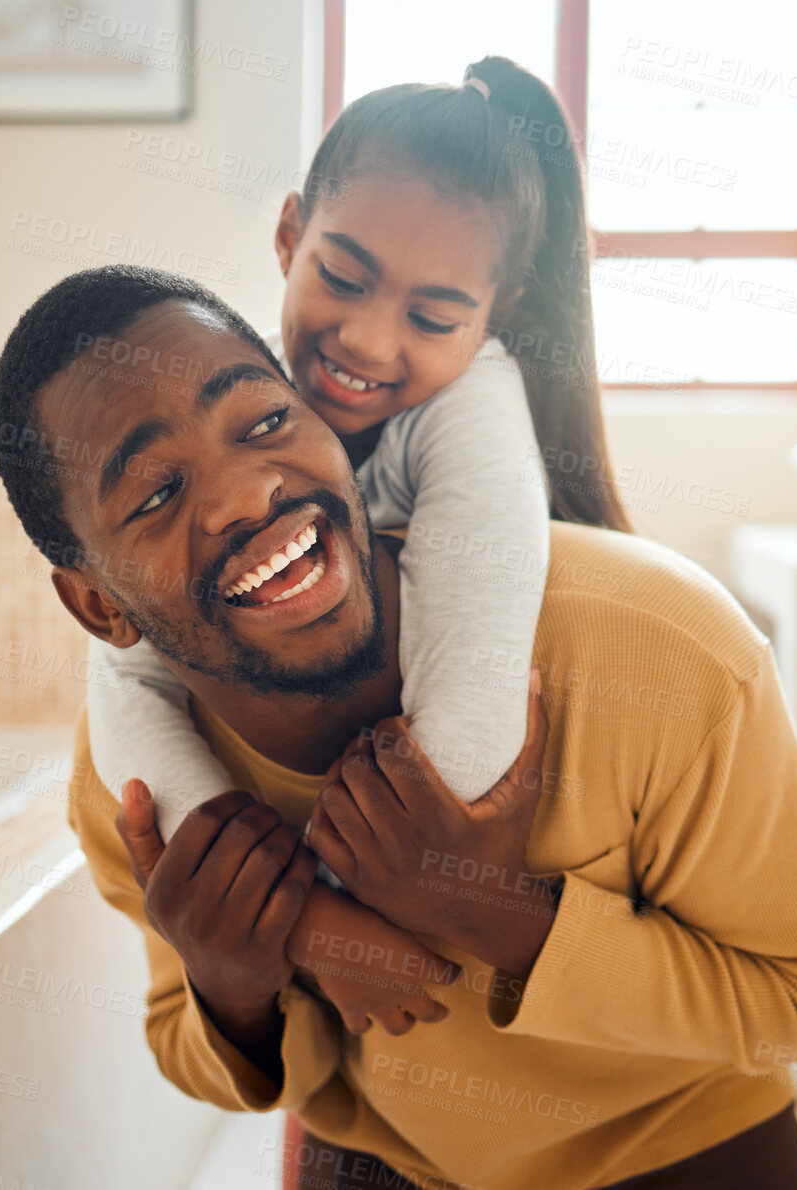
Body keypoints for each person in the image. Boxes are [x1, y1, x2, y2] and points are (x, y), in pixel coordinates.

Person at [0, 264, 797, 1190]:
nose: (247, 496)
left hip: (682, 1149)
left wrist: (502, 914)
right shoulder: (138, 783)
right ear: (97, 606)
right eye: (157, 494)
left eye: (263, 422)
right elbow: (190, 1046)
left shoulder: (656, 648)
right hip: (383, 1160)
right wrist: (230, 990)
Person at [83, 56, 629, 1035]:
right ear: (289, 235)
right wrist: (312, 928)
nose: (371, 342)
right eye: (341, 276)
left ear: (492, 315)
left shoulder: (471, 406)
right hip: (342, 1037)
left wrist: (353, 914)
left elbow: (467, 732)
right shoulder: (232, 389)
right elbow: (126, 678)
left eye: (433, 316)